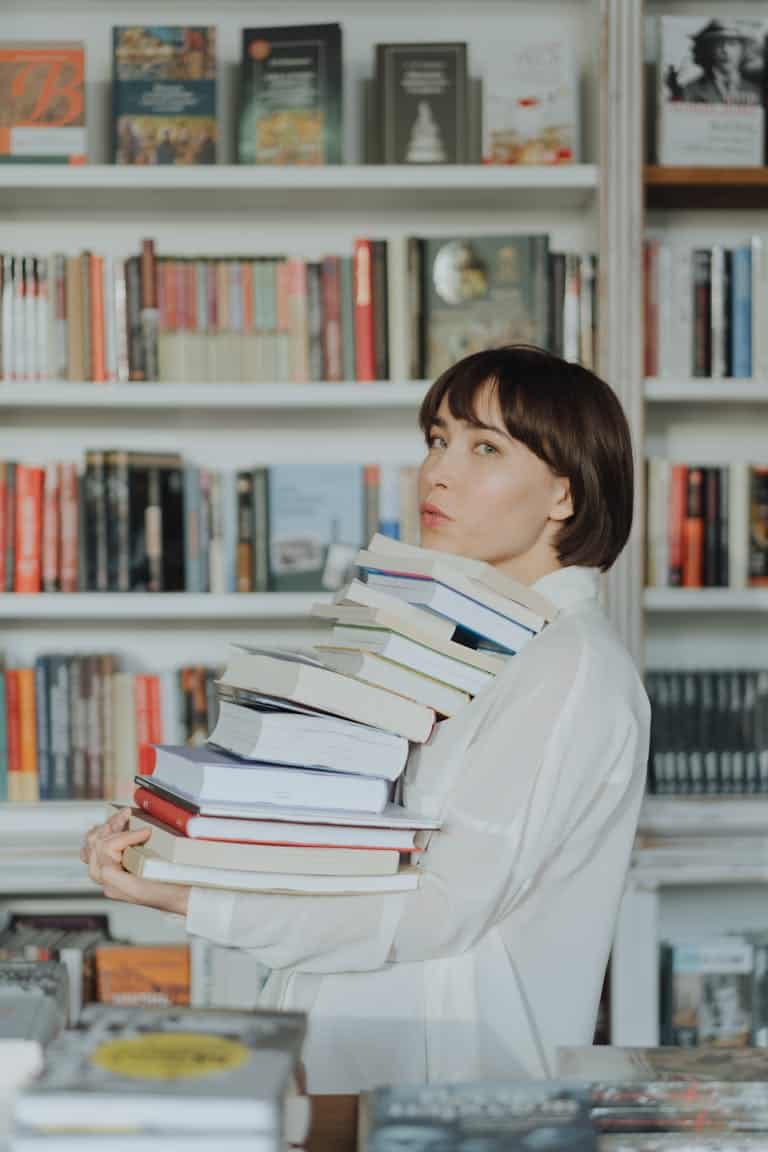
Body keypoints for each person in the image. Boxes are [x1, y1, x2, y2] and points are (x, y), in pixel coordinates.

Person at [82, 345, 650, 1094]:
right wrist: (174, 849)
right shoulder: (473, 642)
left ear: (564, 497)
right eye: (438, 440)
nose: (438, 471)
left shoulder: (569, 669)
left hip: (449, 1091)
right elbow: (357, 852)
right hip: (354, 1063)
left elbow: (439, 910)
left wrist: (186, 898)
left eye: (485, 448)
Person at [667, 19, 761, 105]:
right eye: (719, 44)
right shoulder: (690, 91)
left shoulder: (756, 92)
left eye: (732, 44)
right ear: (709, 49)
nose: (725, 50)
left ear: (743, 50)